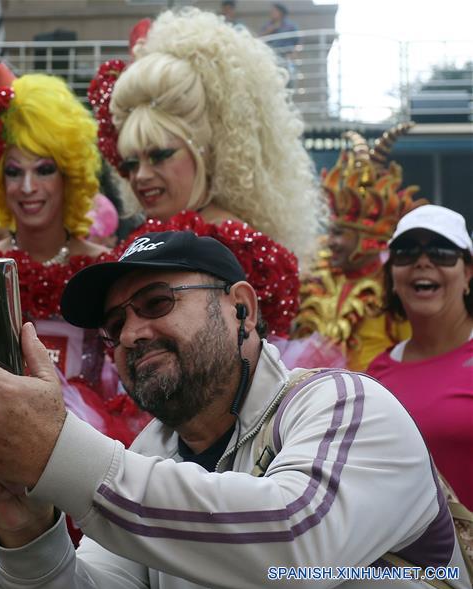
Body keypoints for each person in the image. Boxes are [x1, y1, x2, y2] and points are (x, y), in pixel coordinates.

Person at [0, 230, 471, 589]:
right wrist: (28, 534)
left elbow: (294, 547)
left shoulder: (344, 404)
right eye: (114, 324)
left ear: (242, 307)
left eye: (157, 303)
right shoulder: (148, 453)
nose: (131, 334)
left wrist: (55, 450)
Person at [0, 67, 143, 534]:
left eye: (44, 169)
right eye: (14, 171)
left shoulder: (108, 266)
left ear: (70, 175)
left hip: (90, 443)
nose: (28, 187)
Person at [89, 8, 325, 349]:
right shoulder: (149, 238)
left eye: (159, 155)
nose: (141, 176)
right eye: (131, 162)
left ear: (206, 151)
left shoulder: (242, 249)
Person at [367, 205, 473, 508]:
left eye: (441, 251)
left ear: (467, 272)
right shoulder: (376, 375)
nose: (423, 261)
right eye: (406, 251)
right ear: (393, 277)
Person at [294, 126, 420, 371]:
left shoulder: (396, 286)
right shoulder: (313, 275)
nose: (330, 241)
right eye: (330, 232)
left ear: (366, 237)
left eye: (339, 233)